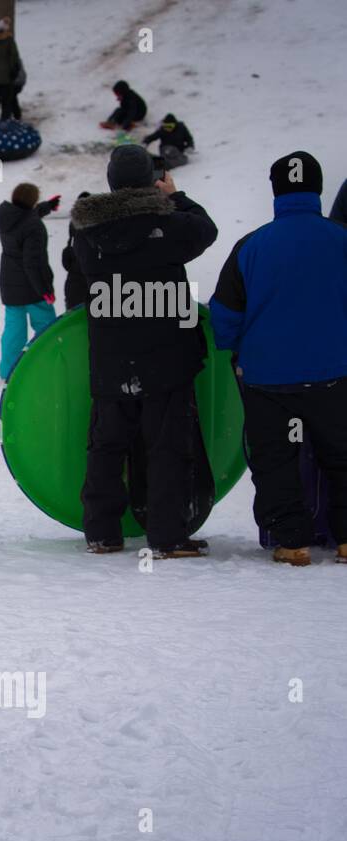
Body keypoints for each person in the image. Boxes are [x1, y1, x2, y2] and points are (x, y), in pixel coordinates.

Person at [71, 145, 218, 557]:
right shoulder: (168, 223)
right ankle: (167, 536)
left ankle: (102, 532)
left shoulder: (85, 231)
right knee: (166, 447)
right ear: (151, 179)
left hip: (110, 358)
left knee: (106, 446)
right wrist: (174, 196)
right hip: (165, 357)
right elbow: (206, 230)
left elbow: (74, 262)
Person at [208, 151, 347, 566]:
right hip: (335, 374)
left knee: (277, 459)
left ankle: (292, 543)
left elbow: (225, 313)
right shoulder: (341, 238)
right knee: (341, 455)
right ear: (318, 189)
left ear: (276, 191)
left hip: (269, 380)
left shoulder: (251, 245)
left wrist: (234, 350)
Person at [0, 183, 60, 379]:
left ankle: (9, 371)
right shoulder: (34, 226)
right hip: (32, 287)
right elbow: (33, 262)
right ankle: (49, 364)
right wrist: (45, 289)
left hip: (9, 283)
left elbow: (24, 219)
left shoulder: (6, 216)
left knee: (14, 330)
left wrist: (45, 207)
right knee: (46, 327)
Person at [61, 191, 93, 313]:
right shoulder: (100, 231)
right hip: (94, 284)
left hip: (74, 286)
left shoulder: (74, 229)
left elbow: (66, 261)